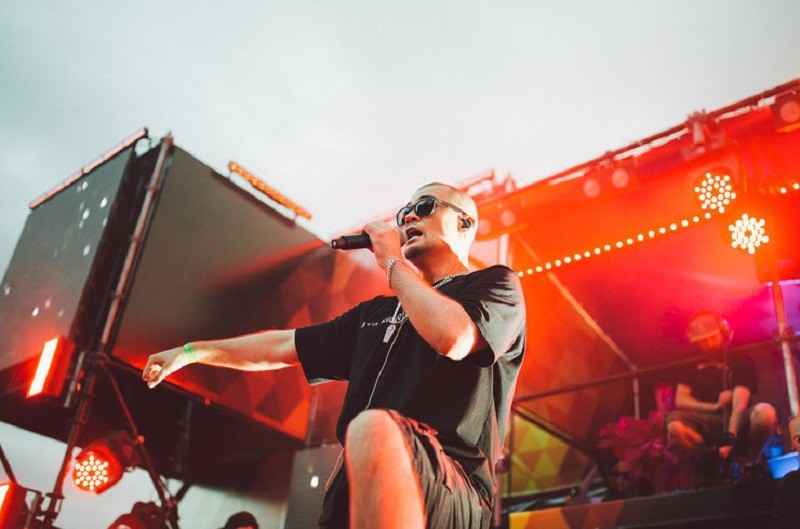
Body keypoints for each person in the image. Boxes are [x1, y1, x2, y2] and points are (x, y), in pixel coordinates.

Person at [142, 182, 527, 529]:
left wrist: (392, 262)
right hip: (354, 491)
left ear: (464, 224)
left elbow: (454, 337)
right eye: (404, 212)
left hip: (451, 488)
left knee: (373, 428)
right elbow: (283, 346)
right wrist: (192, 352)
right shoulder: (375, 313)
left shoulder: (496, 285)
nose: (409, 216)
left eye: (424, 206)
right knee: (369, 434)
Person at [665, 313, 778, 464]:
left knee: (765, 413)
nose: (708, 343)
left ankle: (750, 463)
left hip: (738, 419)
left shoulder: (739, 360)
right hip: (705, 421)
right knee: (674, 426)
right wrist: (714, 406)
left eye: (712, 337)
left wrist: (729, 438)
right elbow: (681, 400)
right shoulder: (690, 364)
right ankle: (709, 458)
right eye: (703, 341)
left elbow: (739, 406)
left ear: (723, 333)